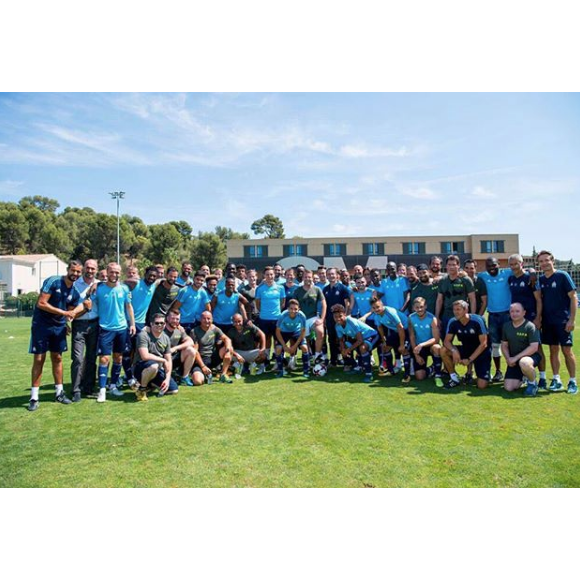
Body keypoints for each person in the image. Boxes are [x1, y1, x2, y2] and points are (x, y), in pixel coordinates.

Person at [27, 261, 89, 412]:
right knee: (39, 359)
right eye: (73, 271)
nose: (75, 274)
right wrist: (63, 314)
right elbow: (41, 303)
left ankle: (59, 393)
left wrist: (85, 309)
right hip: (41, 325)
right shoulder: (53, 281)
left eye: (78, 272)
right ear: (68, 269)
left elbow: (71, 313)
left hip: (58, 328)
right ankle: (34, 397)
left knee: (58, 358)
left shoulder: (73, 292)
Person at [92, 263, 136, 403]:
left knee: (118, 358)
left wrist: (132, 324)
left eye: (117, 272)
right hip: (105, 329)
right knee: (104, 359)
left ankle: (113, 386)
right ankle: (102, 390)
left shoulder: (124, 288)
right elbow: (89, 303)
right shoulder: (99, 289)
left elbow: (129, 307)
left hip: (122, 328)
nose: (114, 275)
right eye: (112, 272)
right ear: (107, 272)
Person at [538, 251, 577, 394]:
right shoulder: (541, 280)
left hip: (563, 321)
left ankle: (572, 381)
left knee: (567, 350)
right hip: (548, 322)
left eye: (546, 260)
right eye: (541, 261)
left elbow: (573, 298)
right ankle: (556, 379)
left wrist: (571, 320)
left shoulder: (562, 276)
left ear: (552, 261)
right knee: (553, 350)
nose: (544, 263)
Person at [508, 254, 546, 388]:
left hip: (531, 318)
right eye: (511, 264)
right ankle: (525, 375)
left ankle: (543, 377)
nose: (513, 267)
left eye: (515, 264)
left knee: (537, 347)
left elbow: (539, 299)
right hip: (517, 319)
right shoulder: (511, 278)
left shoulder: (531, 278)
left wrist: (538, 318)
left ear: (521, 264)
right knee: (520, 346)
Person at [440, 301, 492, 390]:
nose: (456, 312)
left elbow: (484, 344)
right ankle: (454, 378)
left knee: (481, 385)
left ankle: (482, 374)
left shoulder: (477, 320)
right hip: (466, 348)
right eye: (454, 310)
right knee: (443, 350)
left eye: (458, 309)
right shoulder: (453, 321)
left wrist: (469, 359)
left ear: (466, 310)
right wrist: (454, 350)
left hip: (481, 351)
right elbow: (446, 342)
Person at [478, 257, 513, 383]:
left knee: (511, 344)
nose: (491, 268)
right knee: (495, 345)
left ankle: (514, 371)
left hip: (508, 315)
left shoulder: (507, 273)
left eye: (494, 265)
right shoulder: (483, 276)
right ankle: (498, 372)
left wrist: (531, 270)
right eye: (488, 266)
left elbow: (524, 269)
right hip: (492, 315)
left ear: (499, 264)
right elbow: (467, 274)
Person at [132, 313, 179, 402]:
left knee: (173, 390)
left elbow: (169, 360)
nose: (160, 325)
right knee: (154, 366)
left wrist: (167, 379)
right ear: (151, 324)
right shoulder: (143, 335)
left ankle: (150, 385)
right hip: (140, 367)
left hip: (157, 369)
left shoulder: (166, 338)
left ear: (165, 324)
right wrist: (163, 360)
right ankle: (142, 390)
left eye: (162, 323)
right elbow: (145, 356)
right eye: (157, 323)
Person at [71, 259, 100, 401]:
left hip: (95, 324)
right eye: (88, 268)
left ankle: (88, 387)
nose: (90, 271)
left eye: (93, 269)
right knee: (77, 358)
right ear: (84, 269)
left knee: (91, 358)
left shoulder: (100, 284)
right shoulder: (75, 284)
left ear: (96, 270)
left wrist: (97, 283)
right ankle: (76, 389)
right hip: (79, 324)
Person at [501, 303, 542, 397]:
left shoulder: (530, 326)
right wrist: (508, 358)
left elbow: (534, 347)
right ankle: (524, 377)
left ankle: (532, 383)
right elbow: (504, 345)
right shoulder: (506, 326)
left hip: (530, 357)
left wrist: (515, 358)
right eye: (512, 311)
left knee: (524, 363)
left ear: (524, 313)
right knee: (509, 387)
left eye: (517, 311)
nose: (514, 314)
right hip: (514, 360)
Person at [332, 304, 378, 383]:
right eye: (335, 317)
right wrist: (343, 350)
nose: (338, 319)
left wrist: (348, 350)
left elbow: (360, 340)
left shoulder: (351, 321)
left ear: (345, 314)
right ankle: (358, 366)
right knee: (344, 346)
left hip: (372, 335)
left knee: (362, 348)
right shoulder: (337, 326)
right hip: (359, 338)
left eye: (340, 316)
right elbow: (341, 340)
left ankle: (369, 374)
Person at [370, 297, 412, 383]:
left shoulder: (390, 312)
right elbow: (379, 327)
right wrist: (384, 340)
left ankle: (407, 375)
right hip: (397, 331)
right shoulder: (376, 315)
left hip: (407, 330)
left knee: (404, 350)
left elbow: (401, 327)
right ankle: (390, 371)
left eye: (378, 307)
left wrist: (401, 344)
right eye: (374, 308)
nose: (376, 309)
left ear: (382, 305)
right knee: (385, 348)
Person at [436, 255, 476, 335]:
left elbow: (472, 299)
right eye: (449, 265)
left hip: (462, 315)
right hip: (446, 315)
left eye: (454, 265)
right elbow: (439, 300)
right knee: (445, 340)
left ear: (458, 266)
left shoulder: (465, 280)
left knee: (465, 340)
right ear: (446, 266)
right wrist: (437, 317)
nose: (451, 267)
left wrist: (472, 316)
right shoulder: (442, 281)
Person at [191, 311, 234, 385]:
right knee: (197, 381)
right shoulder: (194, 331)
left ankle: (223, 375)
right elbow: (195, 352)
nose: (207, 321)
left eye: (209, 318)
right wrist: (203, 366)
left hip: (212, 358)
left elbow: (227, 339)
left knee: (229, 348)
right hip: (200, 360)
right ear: (200, 319)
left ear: (212, 319)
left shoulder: (215, 329)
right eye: (204, 318)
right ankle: (205, 374)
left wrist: (227, 351)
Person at [408, 297, 444, 388]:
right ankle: (432, 368)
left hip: (430, 345)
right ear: (413, 308)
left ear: (425, 307)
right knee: (419, 377)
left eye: (421, 307)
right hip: (419, 347)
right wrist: (416, 355)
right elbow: (412, 336)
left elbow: (436, 339)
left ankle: (438, 375)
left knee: (437, 348)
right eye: (417, 307)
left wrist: (421, 345)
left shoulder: (432, 318)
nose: (419, 309)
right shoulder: (411, 318)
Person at [255, 267, 286, 367]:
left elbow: (282, 303)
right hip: (264, 319)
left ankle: (278, 360)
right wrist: (265, 312)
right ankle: (266, 359)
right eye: (267, 274)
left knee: (278, 340)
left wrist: (276, 312)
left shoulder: (280, 288)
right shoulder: (260, 289)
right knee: (266, 339)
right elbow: (258, 304)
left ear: (274, 275)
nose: (270, 276)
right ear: (264, 276)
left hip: (277, 318)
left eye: (271, 274)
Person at [294, 270, 327, 359]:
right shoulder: (297, 291)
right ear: (303, 278)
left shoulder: (317, 289)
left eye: (309, 277)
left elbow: (324, 305)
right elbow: (293, 306)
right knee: (306, 340)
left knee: (320, 332)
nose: (307, 279)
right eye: (305, 277)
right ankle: (307, 359)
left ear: (312, 278)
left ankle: (317, 356)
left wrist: (321, 319)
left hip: (313, 317)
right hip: (302, 319)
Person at [323, 268, 352, 367]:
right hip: (330, 319)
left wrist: (346, 317)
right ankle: (334, 361)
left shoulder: (342, 288)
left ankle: (346, 361)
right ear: (327, 276)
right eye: (329, 274)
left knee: (343, 340)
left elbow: (347, 304)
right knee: (331, 340)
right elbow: (324, 305)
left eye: (333, 274)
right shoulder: (325, 289)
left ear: (337, 276)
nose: (331, 276)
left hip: (341, 319)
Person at [275, 300, 310, 378]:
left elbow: (303, 332)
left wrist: (295, 346)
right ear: (288, 309)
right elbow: (277, 332)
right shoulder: (282, 316)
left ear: (299, 309)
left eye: (295, 309)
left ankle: (306, 371)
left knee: (304, 348)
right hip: (284, 331)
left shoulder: (302, 316)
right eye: (291, 308)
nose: (293, 311)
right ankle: (280, 371)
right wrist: (284, 346)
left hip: (296, 331)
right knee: (278, 349)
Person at [164, 309, 198, 387]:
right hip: (162, 360)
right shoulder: (160, 329)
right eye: (173, 318)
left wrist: (175, 348)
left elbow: (190, 342)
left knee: (191, 350)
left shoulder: (179, 330)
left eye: (177, 319)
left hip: (174, 358)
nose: (175, 321)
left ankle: (184, 377)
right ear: (167, 318)